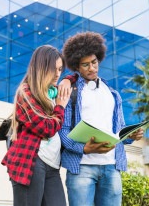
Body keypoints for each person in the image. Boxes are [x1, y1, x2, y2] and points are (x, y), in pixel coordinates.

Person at [58, 31, 144, 206]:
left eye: (94, 62)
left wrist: (131, 136)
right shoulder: (71, 91)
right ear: (77, 67)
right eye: (85, 65)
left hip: (112, 167)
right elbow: (63, 130)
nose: (92, 68)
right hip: (81, 168)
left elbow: (119, 130)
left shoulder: (113, 93)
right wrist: (84, 149)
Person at [1, 45, 71, 206]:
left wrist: (68, 79)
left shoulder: (53, 92)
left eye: (60, 69)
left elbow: (73, 77)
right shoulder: (25, 92)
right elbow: (47, 128)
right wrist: (60, 106)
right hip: (31, 162)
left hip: (53, 166)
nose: (58, 74)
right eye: (54, 69)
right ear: (42, 67)